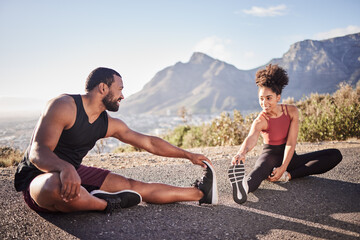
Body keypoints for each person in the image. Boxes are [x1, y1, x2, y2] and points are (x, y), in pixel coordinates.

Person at [14, 67, 218, 214]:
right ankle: (105, 203)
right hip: (38, 177)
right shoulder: (64, 106)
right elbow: (37, 152)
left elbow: (149, 143)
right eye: (120, 89)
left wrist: (188, 155)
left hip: (73, 172)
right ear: (103, 88)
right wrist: (65, 168)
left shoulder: (108, 123)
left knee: (132, 186)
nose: (123, 96)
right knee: (55, 186)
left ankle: (199, 194)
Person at [228, 64, 342, 204]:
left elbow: (291, 142)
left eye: (268, 98)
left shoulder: (292, 112)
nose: (264, 103)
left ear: (278, 97)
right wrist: (242, 152)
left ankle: (289, 176)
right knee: (259, 171)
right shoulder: (260, 120)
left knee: (335, 154)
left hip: (290, 157)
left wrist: (283, 169)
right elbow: (251, 137)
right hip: (269, 157)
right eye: (261, 98)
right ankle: (243, 187)